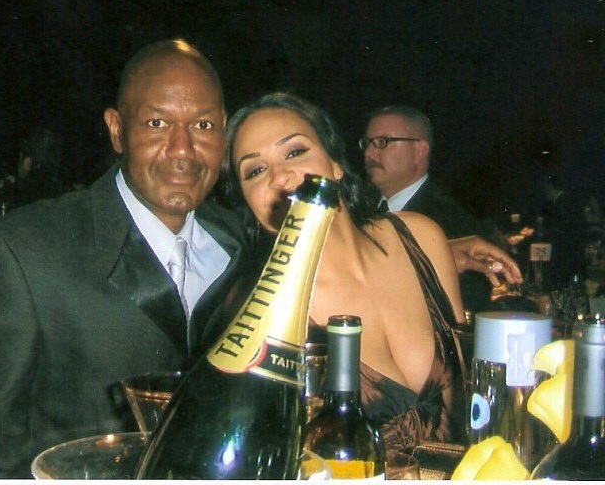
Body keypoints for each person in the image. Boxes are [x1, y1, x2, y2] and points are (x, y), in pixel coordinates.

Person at [0, 39, 255, 477]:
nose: (182, 149)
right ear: (117, 130)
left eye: (203, 125)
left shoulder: (243, 248)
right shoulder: (19, 253)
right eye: (157, 123)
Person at [221, 92, 468, 457]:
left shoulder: (423, 238)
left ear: (335, 164)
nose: (280, 175)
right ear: (248, 202)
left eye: (295, 152)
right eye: (255, 171)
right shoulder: (261, 312)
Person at [361, 105, 518, 311]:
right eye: (367, 143)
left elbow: (462, 312)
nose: (369, 153)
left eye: (382, 142)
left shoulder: (452, 223)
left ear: (419, 151)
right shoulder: (356, 209)